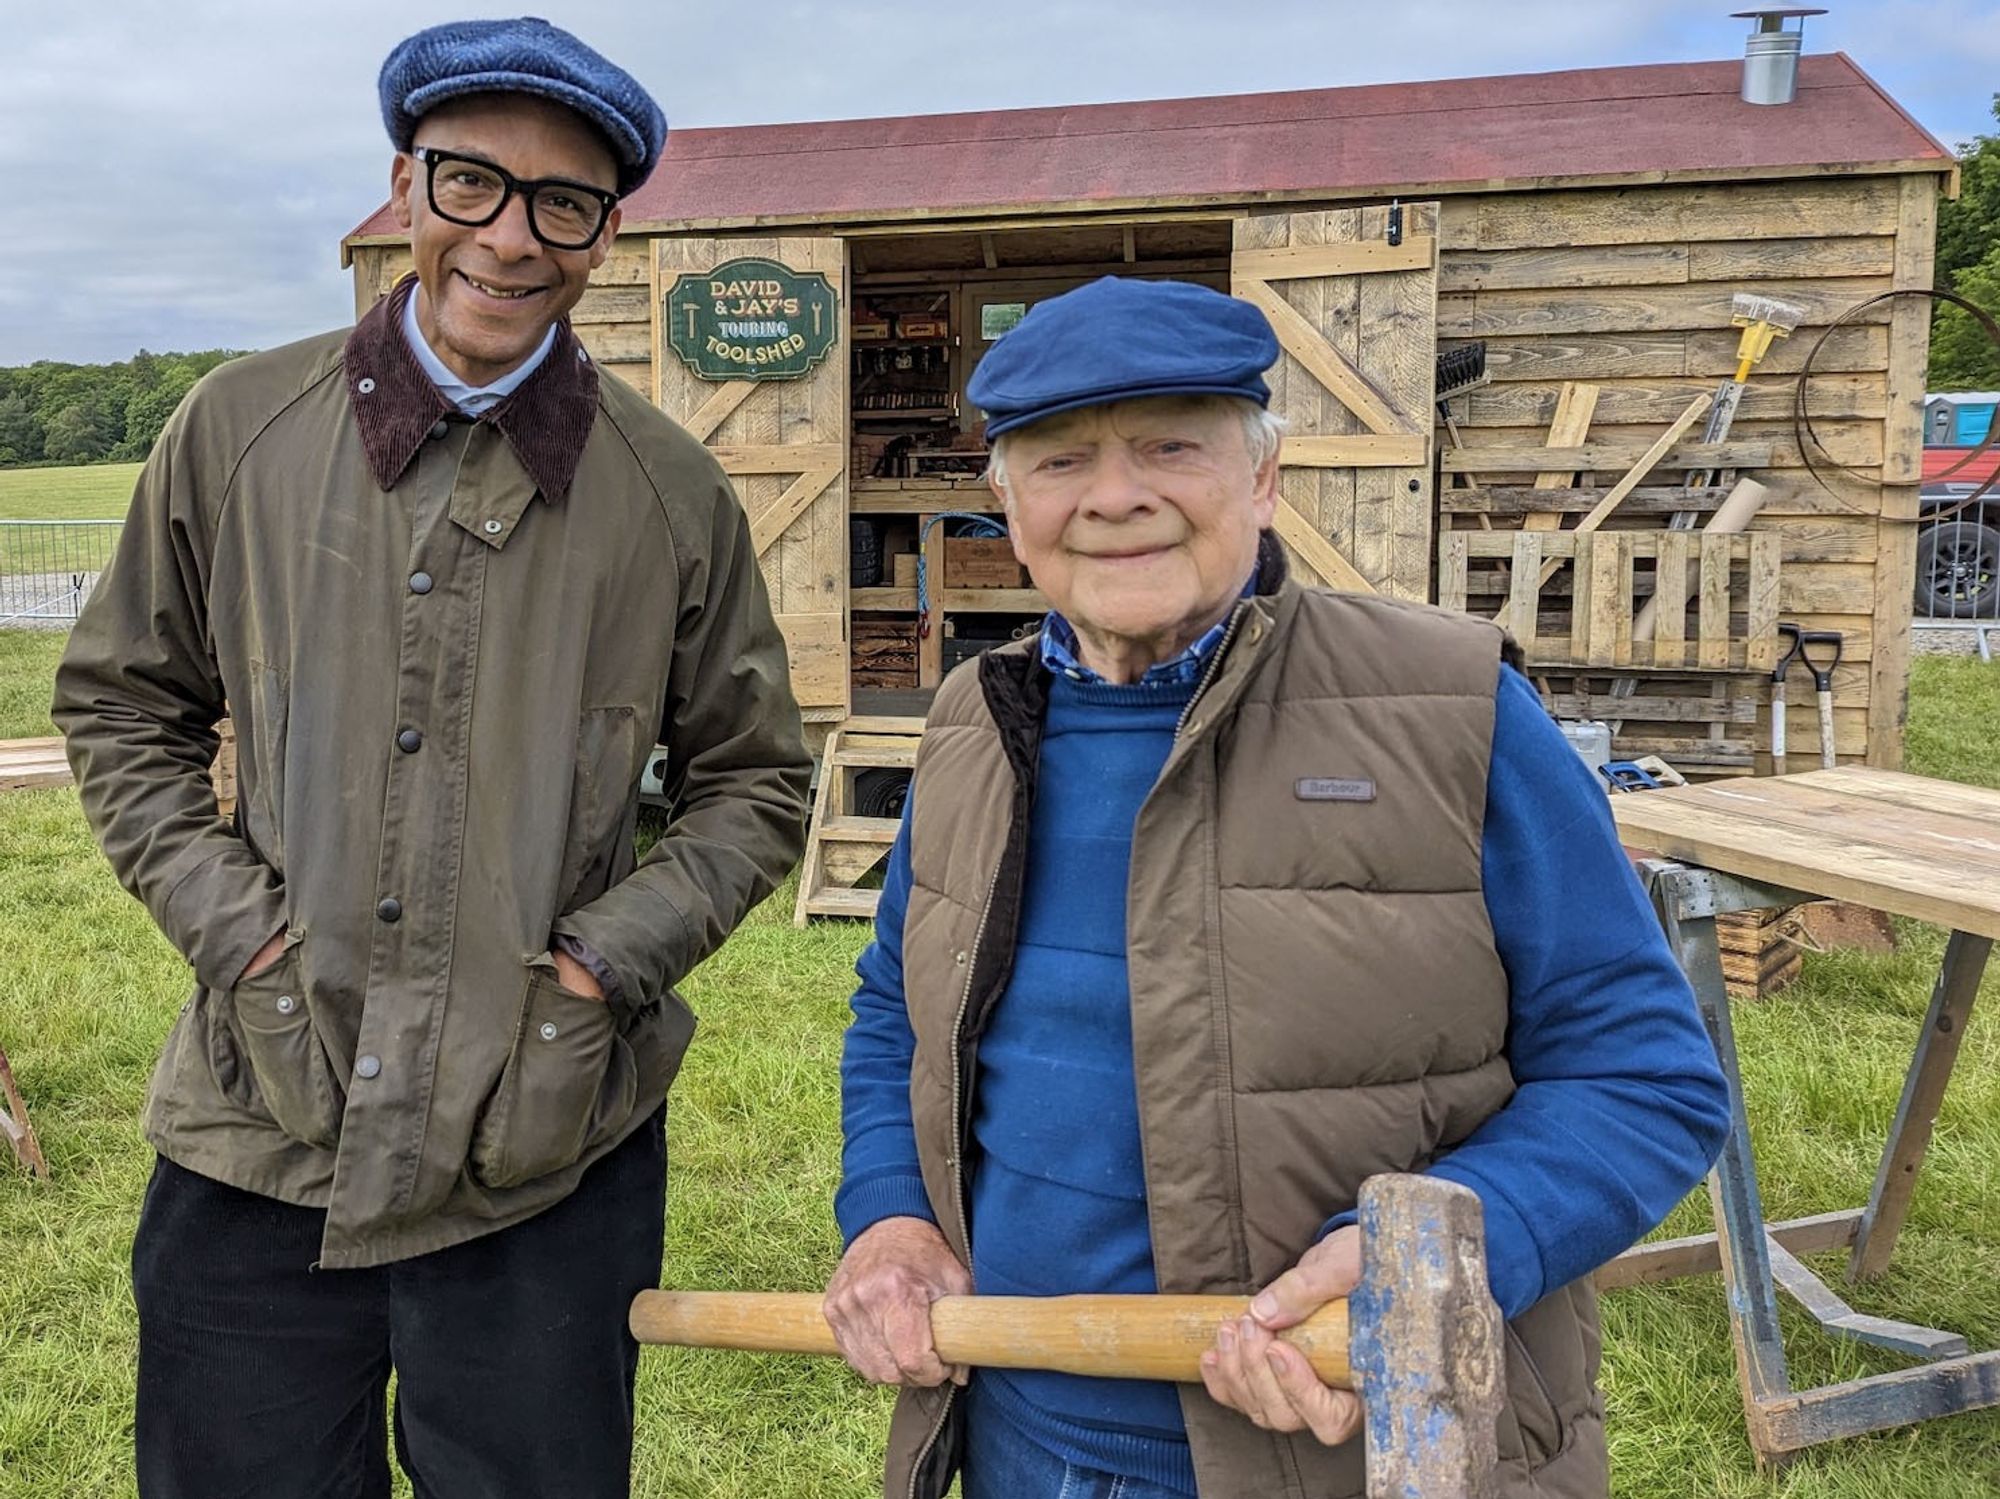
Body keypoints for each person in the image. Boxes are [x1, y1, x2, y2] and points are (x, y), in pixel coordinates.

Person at [53, 18, 810, 1498]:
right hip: (259, 1127)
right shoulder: (235, 431)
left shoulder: (670, 495)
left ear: (605, 235)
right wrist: (249, 944)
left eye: (563, 204)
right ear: (406, 185)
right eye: (474, 183)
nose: (511, 239)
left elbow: (756, 779)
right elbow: (122, 703)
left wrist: (597, 970)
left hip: (546, 1152)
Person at [824, 275, 1731, 1499]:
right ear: (1005, 502)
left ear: (1261, 476)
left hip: (1345, 1447)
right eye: (1057, 461)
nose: (1113, 496)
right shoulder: (971, 724)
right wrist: (886, 1212)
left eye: (1168, 446)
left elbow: (1642, 1075)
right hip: (1008, 1431)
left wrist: (1427, 1259)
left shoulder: (1451, 710)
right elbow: (893, 1015)